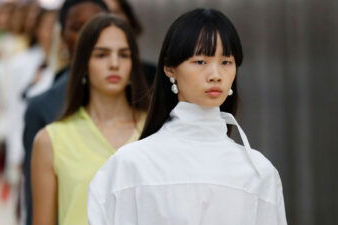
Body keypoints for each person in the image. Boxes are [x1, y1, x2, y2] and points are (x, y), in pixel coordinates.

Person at [87, 8, 288, 225]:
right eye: (200, 61)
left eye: (226, 62)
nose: (215, 75)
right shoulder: (129, 165)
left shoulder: (258, 172)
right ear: (169, 68)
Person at [31, 14, 149, 225]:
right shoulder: (51, 140)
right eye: (101, 55)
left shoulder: (155, 131)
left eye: (123, 55)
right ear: (83, 63)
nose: (114, 64)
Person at [22, 1, 108, 224]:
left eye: (96, 25)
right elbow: (36, 204)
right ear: (62, 36)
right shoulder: (42, 106)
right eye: (78, 27)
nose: (88, 36)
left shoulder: (143, 99)